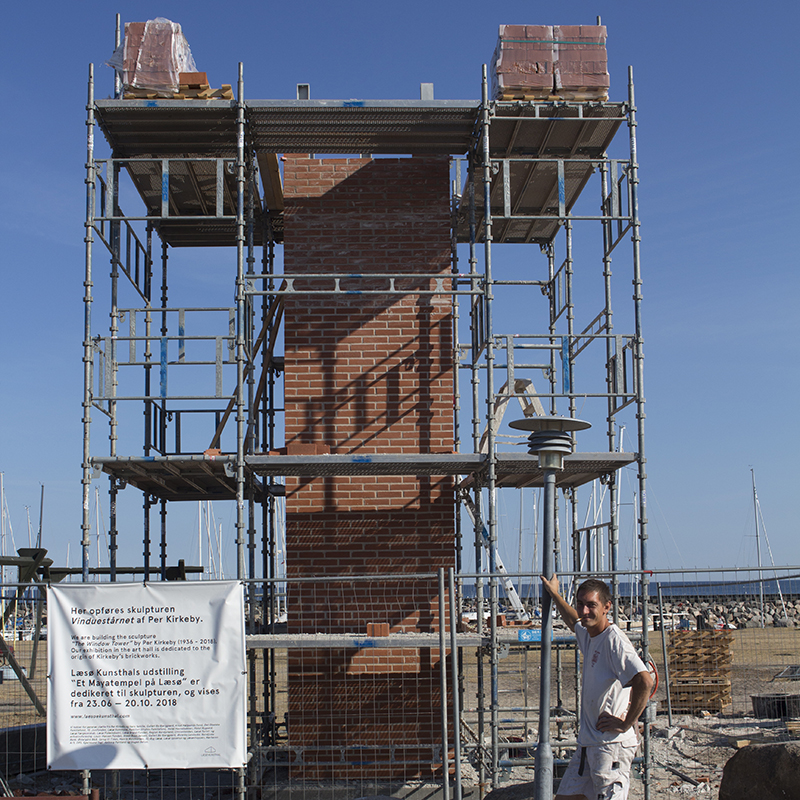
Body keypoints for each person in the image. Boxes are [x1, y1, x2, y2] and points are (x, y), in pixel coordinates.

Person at [541, 574, 653, 800]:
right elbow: (574, 621)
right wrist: (555, 594)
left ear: (606, 607)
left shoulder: (615, 641)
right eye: (580, 604)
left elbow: (645, 681)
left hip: (611, 747)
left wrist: (626, 723)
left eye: (591, 605)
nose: (584, 611)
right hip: (588, 744)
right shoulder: (590, 634)